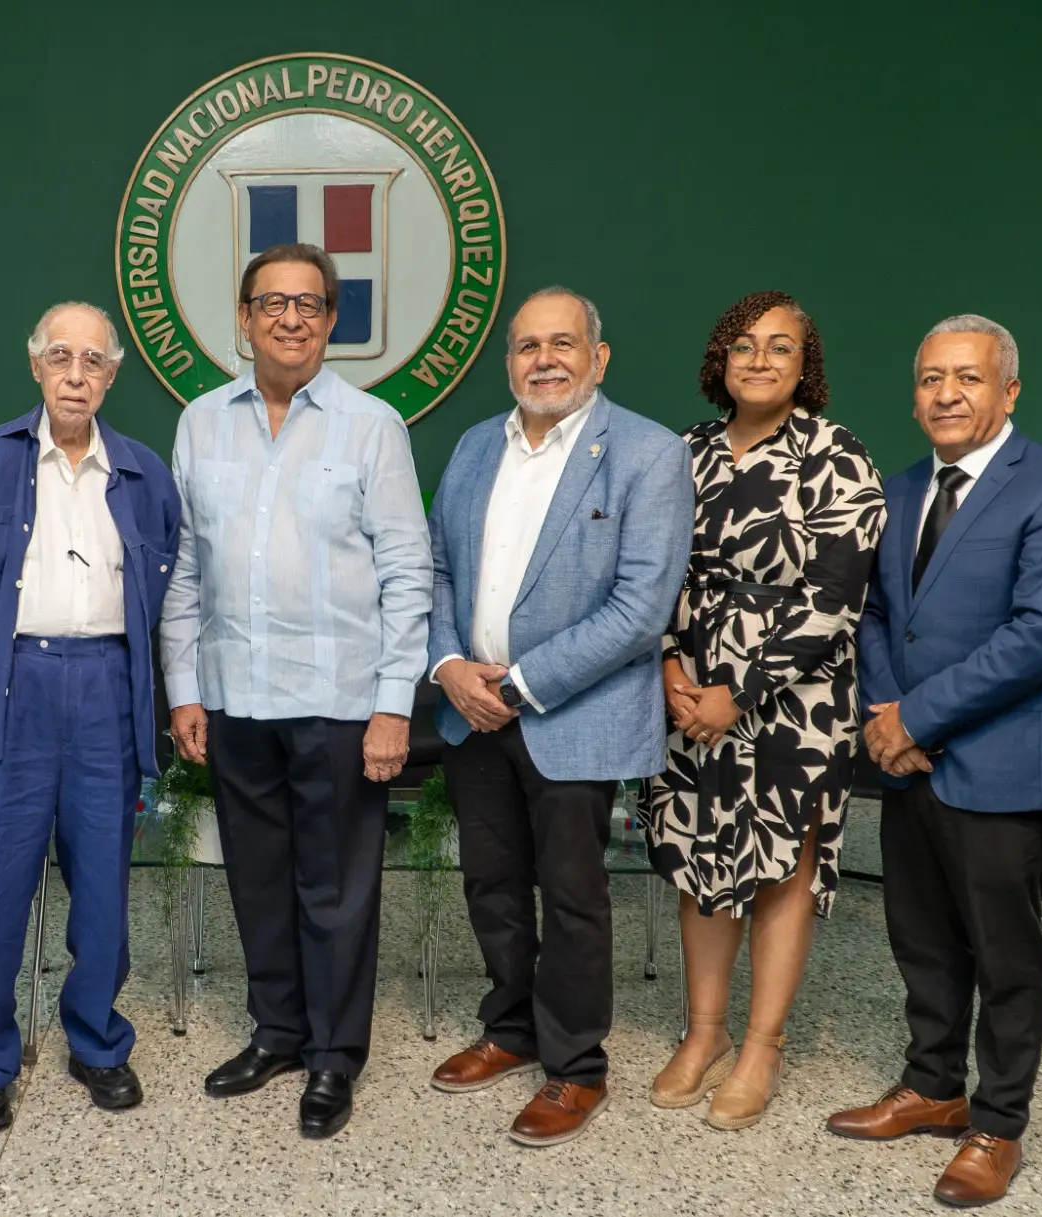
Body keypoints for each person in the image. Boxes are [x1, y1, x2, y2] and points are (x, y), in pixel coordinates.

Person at [828, 315, 1042, 1208]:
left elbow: (1041, 635)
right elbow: (875, 615)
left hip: (1006, 764)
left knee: (1006, 954)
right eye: (929, 378)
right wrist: (884, 718)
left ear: (1009, 391)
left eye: (968, 378)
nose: (946, 394)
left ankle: (997, 1124)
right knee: (919, 934)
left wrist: (915, 717)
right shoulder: (899, 488)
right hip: (907, 760)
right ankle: (934, 1085)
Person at [162, 243, 432, 1140]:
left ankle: (332, 1056)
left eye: (309, 304)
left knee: (336, 886)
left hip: (342, 700)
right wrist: (184, 687)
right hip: (236, 696)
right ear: (242, 318)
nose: (289, 318)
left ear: (332, 323)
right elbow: (186, 569)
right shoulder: (201, 422)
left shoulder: (371, 427)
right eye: (271, 303)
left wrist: (395, 701)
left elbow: (405, 569)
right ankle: (276, 1032)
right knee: (258, 878)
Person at [424, 286, 691, 1147]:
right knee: (491, 882)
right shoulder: (473, 447)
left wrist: (520, 684)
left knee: (573, 895)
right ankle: (510, 1029)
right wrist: (450, 666)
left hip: (572, 715)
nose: (545, 358)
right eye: (528, 345)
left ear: (598, 357)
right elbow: (434, 571)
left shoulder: (646, 454)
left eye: (563, 343)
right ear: (509, 362)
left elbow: (641, 607)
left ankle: (575, 1066)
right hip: (470, 710)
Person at [645, 291, 885, 1130]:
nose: (758, 359)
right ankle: (703, 1031)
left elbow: (834, 599)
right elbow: (652, 570)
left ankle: (762, 1045)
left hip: (796, 695)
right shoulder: (683, 452)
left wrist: (739, 690)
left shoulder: (836, 453)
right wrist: (672, 666)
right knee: (700, 854)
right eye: (743, 344)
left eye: (779, 347)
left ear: (802, 365)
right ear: (721, 358)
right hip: (687, 686)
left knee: (782, 862)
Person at [0, 302, 180, 1133]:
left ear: (112, 375)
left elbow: (166, 582)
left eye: (93, 361)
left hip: (107, 686)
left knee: (104, 887)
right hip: (13, 685)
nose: (76, 374)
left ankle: (97, 1041)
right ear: (35, 366)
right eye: (59, 358)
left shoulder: (145, 471)